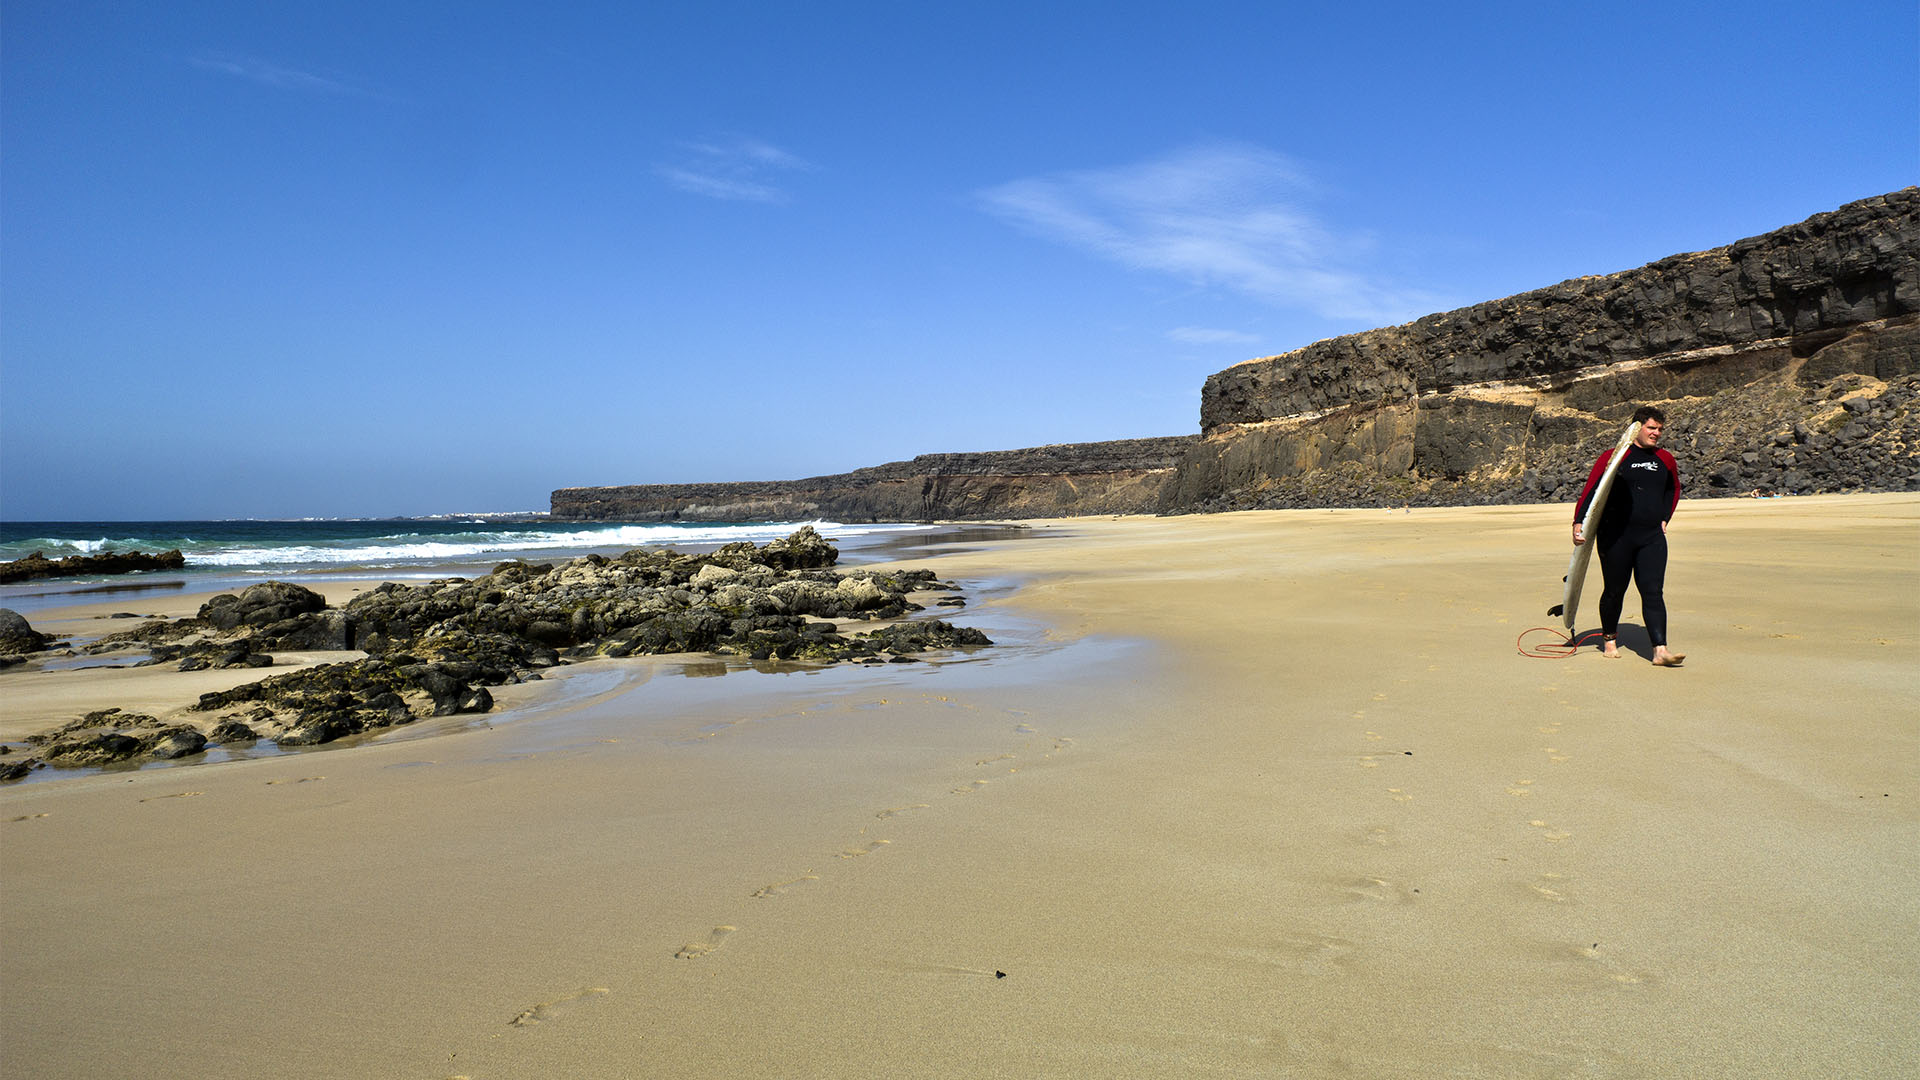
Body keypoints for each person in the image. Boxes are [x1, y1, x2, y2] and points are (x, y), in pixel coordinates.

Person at [1572, 406, 1685, 666]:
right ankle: (1609, 640)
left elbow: (1673, 489)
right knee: (1614, 590)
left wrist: (1666, 516)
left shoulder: (1665, 459)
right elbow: (1592, 490)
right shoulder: (1614, 457)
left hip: (1651, 536)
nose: (1656, 433)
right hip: (1615, 535)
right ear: (1636, 427)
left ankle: (1660, 650)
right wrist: (1579, 522)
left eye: (1659, 429)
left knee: (1653, 592)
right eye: (1651, 428)